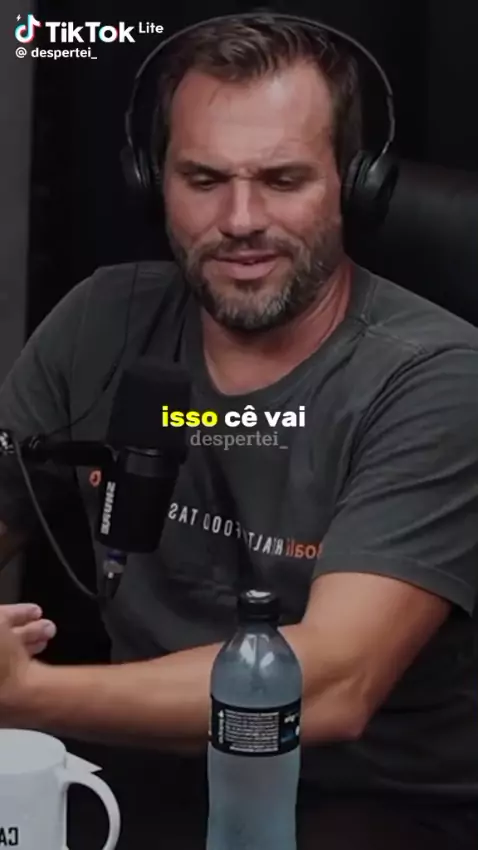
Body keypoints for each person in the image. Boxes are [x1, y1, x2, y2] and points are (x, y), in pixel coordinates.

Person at [0, 11, 477, 799]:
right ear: (150, 181)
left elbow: (334, 683)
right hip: (138, 784)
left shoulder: (437, 377)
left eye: (283, 181)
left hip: (371, 808)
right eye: (204, 180)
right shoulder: (99, 320)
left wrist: (25, 693)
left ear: (356, 186)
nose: (241, 221)